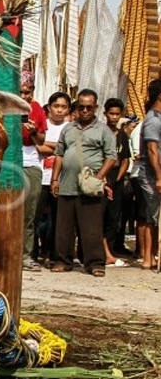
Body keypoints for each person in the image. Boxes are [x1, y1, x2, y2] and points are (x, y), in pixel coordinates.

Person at [50, 89, 116, 277]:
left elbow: (111, 157)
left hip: (90, 185)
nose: (85, 110)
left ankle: (95, 263)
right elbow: (59, 154)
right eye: (81, 106)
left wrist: (99, 177)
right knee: (63, 227)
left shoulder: (103, 130)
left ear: (95, 108)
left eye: (89, 107)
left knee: (91, 227)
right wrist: (55, 178)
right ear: (76, 107)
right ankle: (63, 261)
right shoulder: (68, 128)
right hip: (67, 184)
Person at [33, 91, 70, 268]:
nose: (59, 110)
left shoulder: (70, 128)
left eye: (63, 107)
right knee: (35, 217)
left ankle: (52, 254)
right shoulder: (43, 125)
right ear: (49, 107)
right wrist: (60, 148)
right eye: (56, 106)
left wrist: (50, 146)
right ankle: (32, 253)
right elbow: (38, 146)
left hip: (61, 180)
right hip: (41, 178)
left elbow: (70, 150)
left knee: (56, 220)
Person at [18, 72, 47, 271]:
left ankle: (26, 255)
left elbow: (42, 141)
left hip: (31, 162)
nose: (23, 96)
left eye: (27, 92)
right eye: (20, 92)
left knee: (29, 213)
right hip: (9, 161)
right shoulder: (6, 106)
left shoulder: (36, 109)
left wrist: (33, 131)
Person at [135, 79, 161, 270]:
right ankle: (147, 258)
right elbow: (152, 151)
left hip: (156, 173)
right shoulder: (153, 120)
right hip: (151, 174)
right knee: (153, 216)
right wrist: (159, 177)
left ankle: (151, 258)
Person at [101, 98, 131, 267]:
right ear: (105, 114)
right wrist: (105, 179)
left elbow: (125, 160)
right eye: (111, 113)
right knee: (100, 216)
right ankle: (100, 252)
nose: (113, 117)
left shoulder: (122, 136)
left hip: (116, 178)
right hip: (102, 175)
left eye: (117, 114)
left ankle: (110, 251)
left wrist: (116, 180)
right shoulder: (101, 132)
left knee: (114, 218)